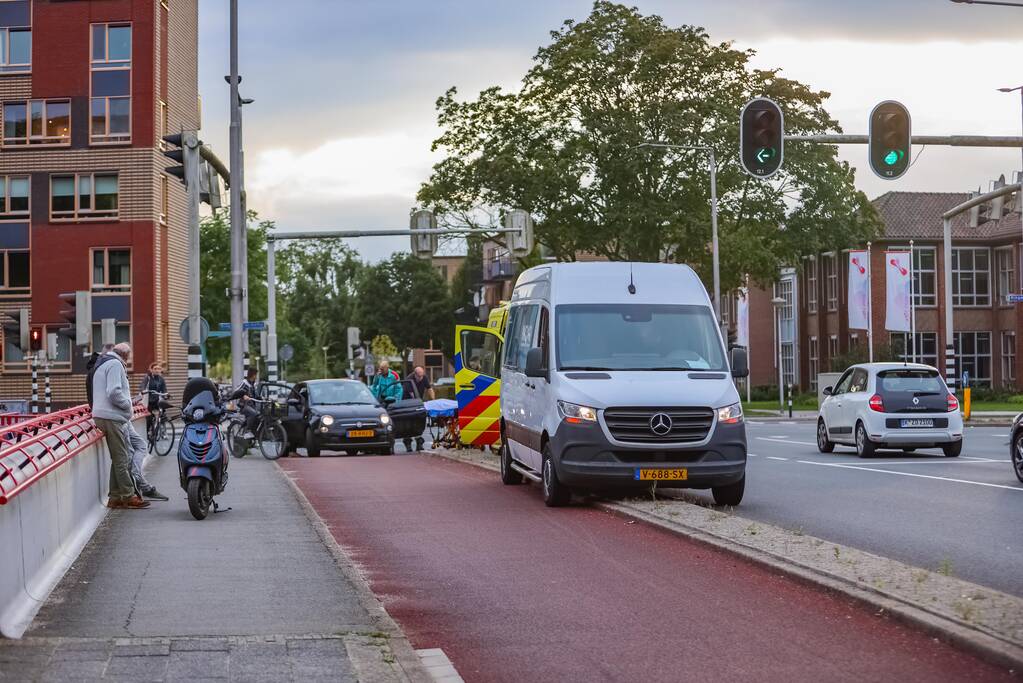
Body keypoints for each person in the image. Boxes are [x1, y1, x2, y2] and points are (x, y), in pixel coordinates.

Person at [91, 343, 149, 509]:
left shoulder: (104, 363)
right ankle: (129, 495)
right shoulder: (115, 364)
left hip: (102, 415)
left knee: (118, 458)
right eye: (129, 356)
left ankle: (115, 497)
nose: (129, 360)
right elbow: (114, 392)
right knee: (122, 458)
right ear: (125, 355)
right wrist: (127, 406)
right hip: (112, 417)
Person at [123, 419, 169, 501]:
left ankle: (137, 477)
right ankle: (143, 486)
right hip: (119, 419)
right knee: (129, 454)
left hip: (125, 419)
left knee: (141, 445)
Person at [229, 367, 260, 436]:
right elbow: (236, 391)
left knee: (259, 416)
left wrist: (264, 398)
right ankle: (248, 431)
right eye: (256, 374)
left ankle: (254, 433)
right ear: (253, 375)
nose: (256, 376)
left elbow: (257, 396)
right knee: (253, 414)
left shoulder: (253, 384)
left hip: (252, 406)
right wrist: (243, 396)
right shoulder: (244, 383)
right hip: (244, 405)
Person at [140, 362, 167, 433]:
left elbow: (164, 389)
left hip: (157, 400)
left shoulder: (161, 379)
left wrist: (166, 395)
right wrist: (144, 390)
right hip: (149, 401)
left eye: (159, 369)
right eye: (155, 369)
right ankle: (147, 432)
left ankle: (162, 430)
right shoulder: (148, 377)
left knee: (163, 415)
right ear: (151, 370)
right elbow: (143, 386)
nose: (157, 370)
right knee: (149, 418)